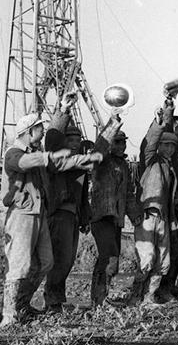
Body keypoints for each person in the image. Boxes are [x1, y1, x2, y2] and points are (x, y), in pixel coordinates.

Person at [0, 112, 102, 326]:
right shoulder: (13, 152)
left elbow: (63, 164)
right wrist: (48, 156)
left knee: (46, 262)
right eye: (40, 128)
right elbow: (23, 163)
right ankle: (9, 315)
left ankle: (22, 304)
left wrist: (86, 159)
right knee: (19, 265)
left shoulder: (37, 154)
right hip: (21, 214)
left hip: (40, 213)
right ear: (29, 132)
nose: (43, 132)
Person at [42, 94, 94, 312]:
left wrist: (85, 218)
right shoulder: (57, 159)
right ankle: (52, 302)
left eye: (77, 141)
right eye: (70, 141)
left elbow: (82, 196)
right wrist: (63, 111)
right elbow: (52, 138)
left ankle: (57, 300)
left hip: (73, 215)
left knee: (68, 260)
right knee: (60, 260)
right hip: (60, 214)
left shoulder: (79, 166)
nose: (74, 144)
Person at [128, 107, 178, 306]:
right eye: (165, 145)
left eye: (172, 146)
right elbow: (149, 145)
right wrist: (158, 122)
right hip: (147, 216)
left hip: (163, 218)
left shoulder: (170, 168)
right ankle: (135, 297)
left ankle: (149, 296)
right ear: (159, 146)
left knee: (163, 260)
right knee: (147, 257)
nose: (169, 149)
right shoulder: (150, 161)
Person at [90, 116, 142, 307]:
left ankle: (100, 298)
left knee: (113, 261)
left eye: (123, 142)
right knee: (108, 259)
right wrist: (112, 124)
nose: (122, 146)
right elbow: (99, 148)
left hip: (116, 219)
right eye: (117, 142)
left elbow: (128, 194)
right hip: (101, 216)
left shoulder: (123, 165)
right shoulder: (101, 160)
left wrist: (134, 215)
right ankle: (98, 301)